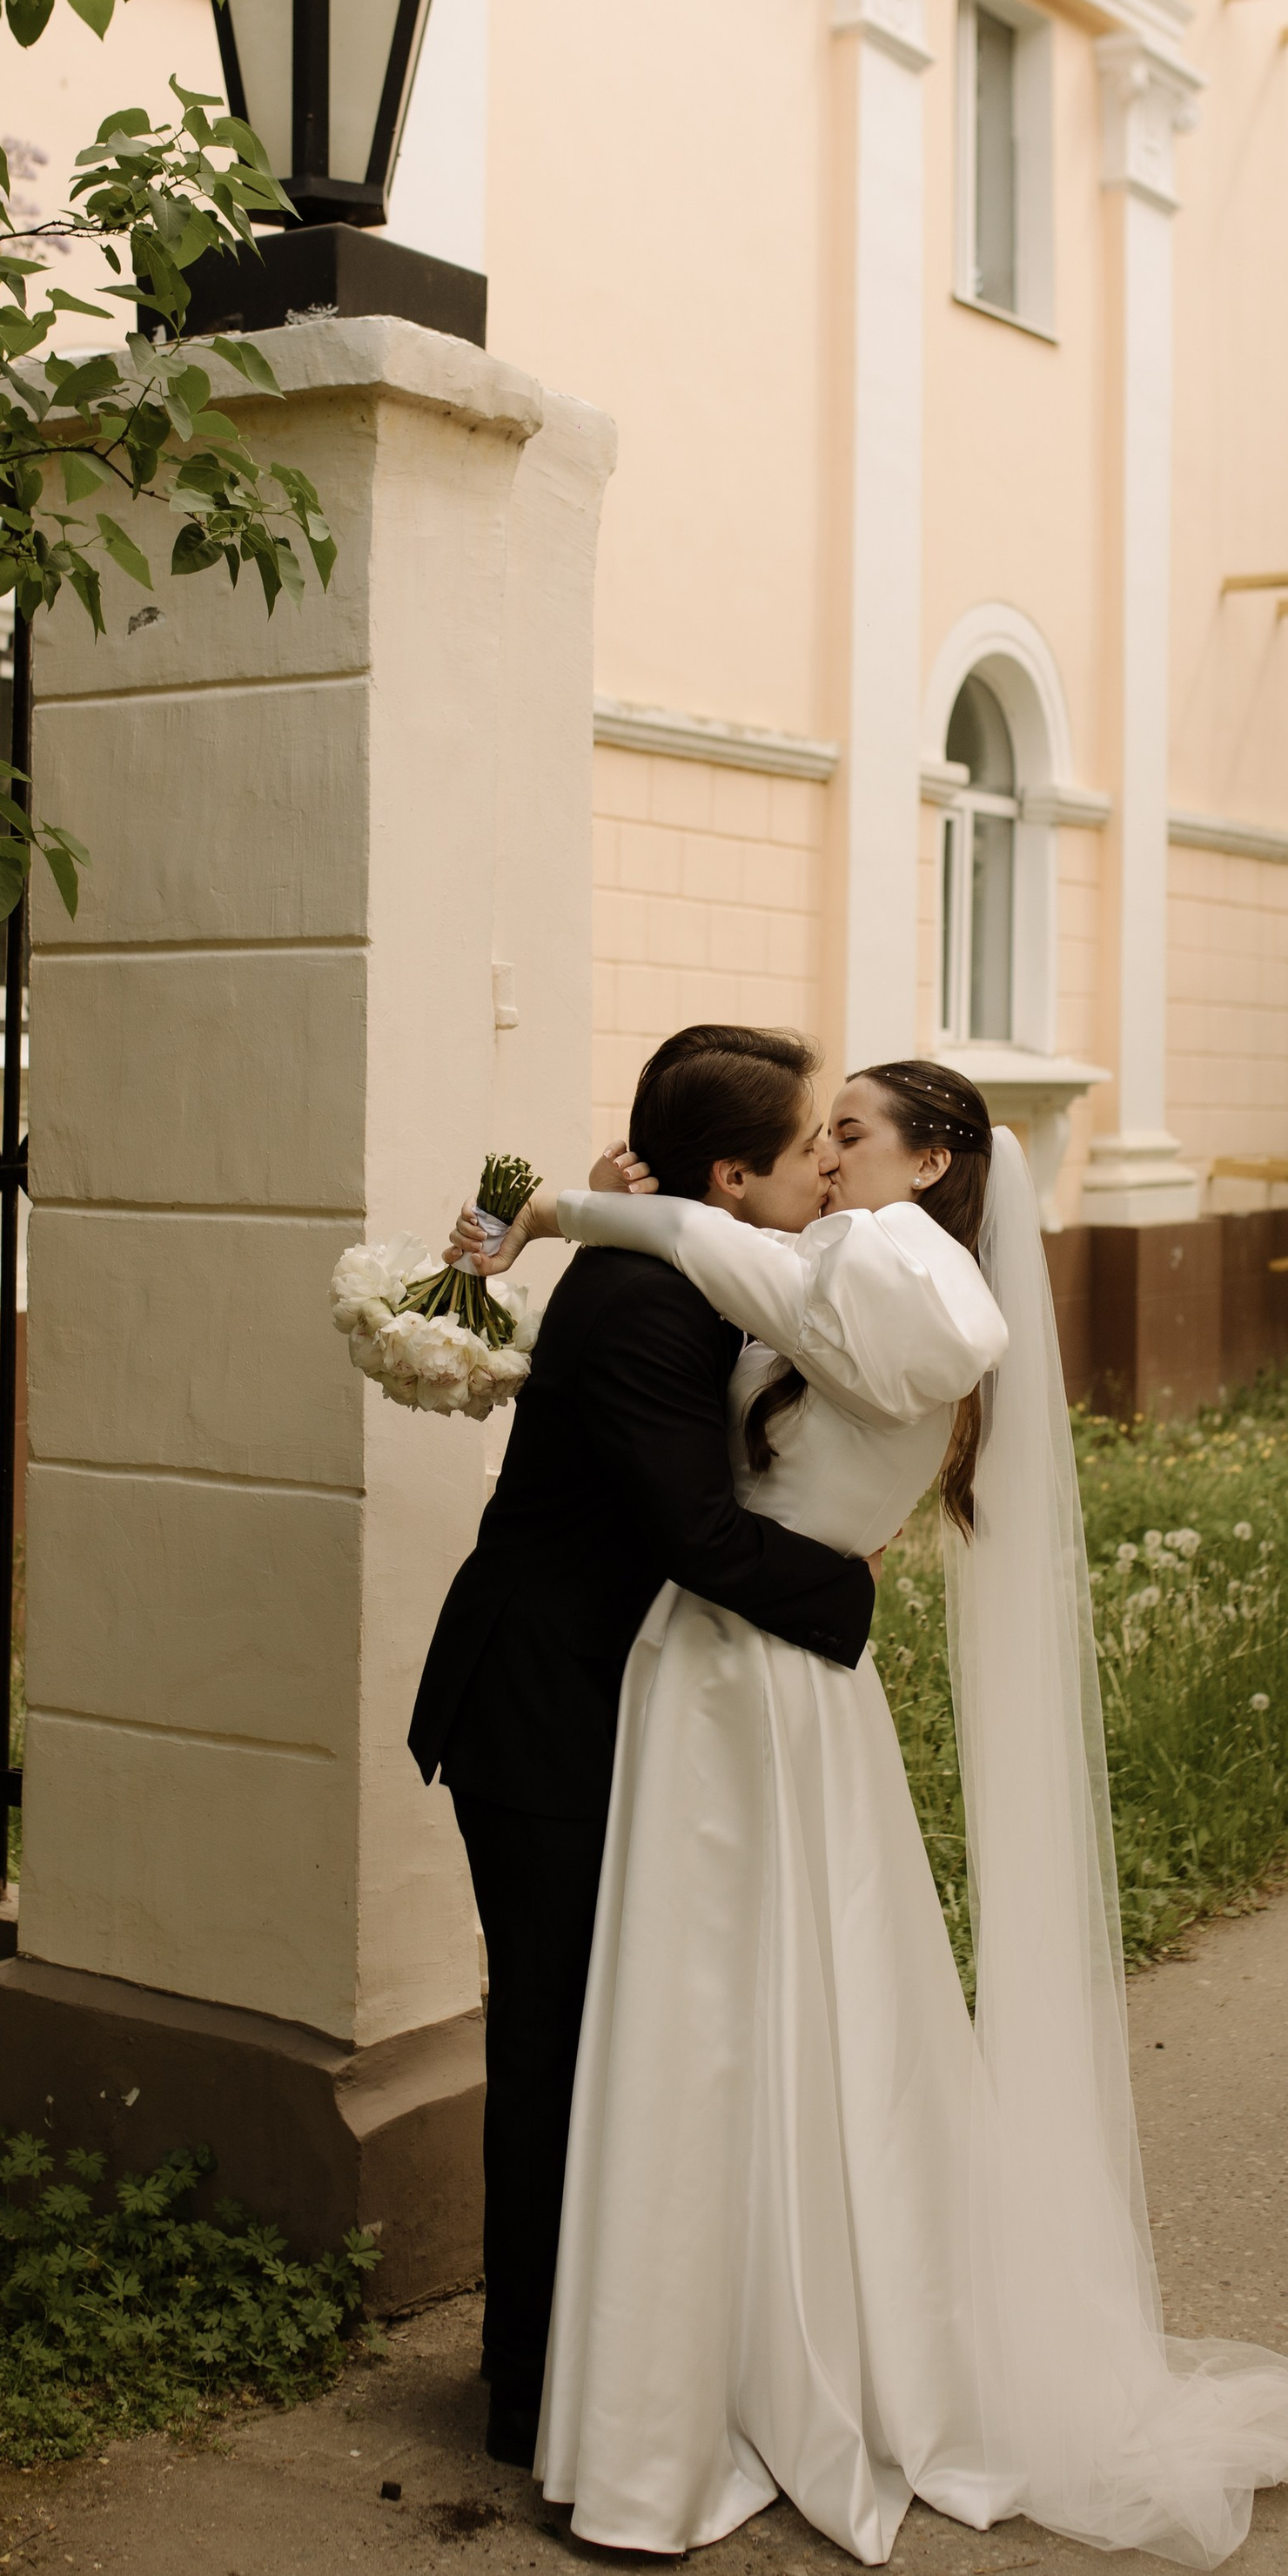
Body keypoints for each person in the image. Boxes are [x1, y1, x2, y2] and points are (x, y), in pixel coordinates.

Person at [460, 1061, 1288, 2567]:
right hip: (744, 1672)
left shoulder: (905, 1269)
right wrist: (626, 1208)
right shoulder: (852, 1258)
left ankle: (685, 2396)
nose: (826, 1155)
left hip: (752, 1674)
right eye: (812, 1137)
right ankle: (718, 2353)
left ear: (935, 1158)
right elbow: (735, 1271)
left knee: (719, 2015)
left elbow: (737, 1266)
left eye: (852, 1133)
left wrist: (572, 1210)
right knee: (753, 2020)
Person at [406, 1025, 877, 2473]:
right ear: (732, 1177)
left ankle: (588, 2358)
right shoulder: (644, 1308)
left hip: (586, 1696)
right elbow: (693, 1531)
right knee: (551, 2039)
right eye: (812, 1152)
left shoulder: (683, 1265)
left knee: (602, 2031)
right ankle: (529, 2386)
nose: (831, 1176)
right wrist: (850, 1593)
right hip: (538, 1708)